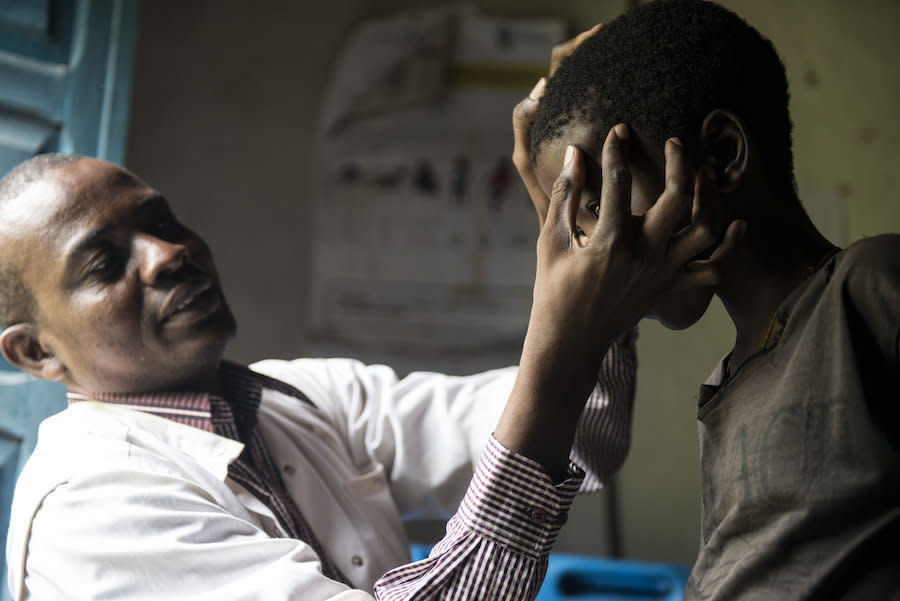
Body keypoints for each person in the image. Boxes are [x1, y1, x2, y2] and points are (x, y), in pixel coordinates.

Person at [0, 84, 731, 599]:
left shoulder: (293, 397)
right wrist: (568, 325)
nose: (167, 254)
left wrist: (597, 267)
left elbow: (573, 440)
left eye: (161, 220)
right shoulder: (91, 510)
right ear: (37, 353)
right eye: (104, 263)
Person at [512, 0, 900, 599]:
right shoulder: (729, 383)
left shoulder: (868, 289)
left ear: (719, 156)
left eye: (596, 202)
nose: (583, 253)